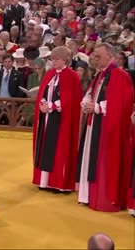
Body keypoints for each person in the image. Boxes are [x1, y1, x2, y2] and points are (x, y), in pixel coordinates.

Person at [77, 43, 134, 212]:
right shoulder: (100, 75)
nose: (95, 58)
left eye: (98, 55)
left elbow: (121, 103)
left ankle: (102, 198)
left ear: (109, 56)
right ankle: (88, 195)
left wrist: (96, 107)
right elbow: (89, 94)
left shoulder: (119, 75)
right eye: (94, 55)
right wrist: (86, 104)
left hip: (107, 128)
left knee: (104, 162)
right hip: (93, 123)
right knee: (90, 157)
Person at [32, 46, 83, 192]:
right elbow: (43, 91)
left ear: (65, 60)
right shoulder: (49, 74)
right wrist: (42, 104)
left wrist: (53, 106)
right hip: (46, 118)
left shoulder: (72, 76)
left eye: (57, 59)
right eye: (52, 58)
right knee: (44, 148)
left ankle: (57, 183)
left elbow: (72, 100)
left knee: (59, 150)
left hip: (61, 120)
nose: (53, 61)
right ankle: (44, 181)